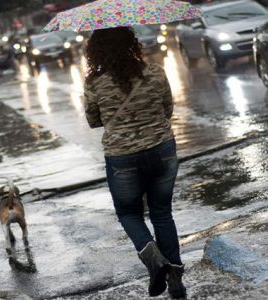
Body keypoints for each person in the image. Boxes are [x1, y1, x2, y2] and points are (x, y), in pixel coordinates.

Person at [83, 27, 186, 299]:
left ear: (96, 51)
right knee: (162, 212)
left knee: (129, 214)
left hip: (122, 156)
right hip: (162, 148)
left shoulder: (95, 82)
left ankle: (154, 261)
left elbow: (94, 121)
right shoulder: (154, 71)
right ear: (132, 43)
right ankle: (175, 278)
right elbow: (167, 109)